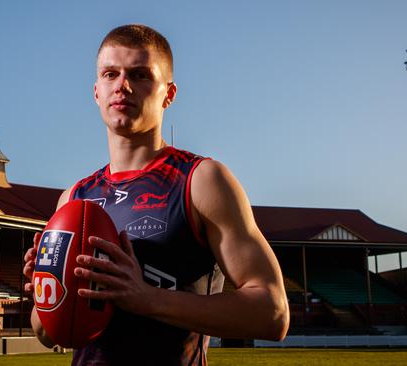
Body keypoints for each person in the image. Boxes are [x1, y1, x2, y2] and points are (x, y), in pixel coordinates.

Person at [23, 24, 289, 365]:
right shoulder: (74, 198)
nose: (122, 86)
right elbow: (46, 334)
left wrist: (145, 298)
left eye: (140, 75)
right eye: (110, 74)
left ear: (169, 93)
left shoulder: (201, 180)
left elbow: (272, 312)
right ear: (96, 92)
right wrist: (48, 292)